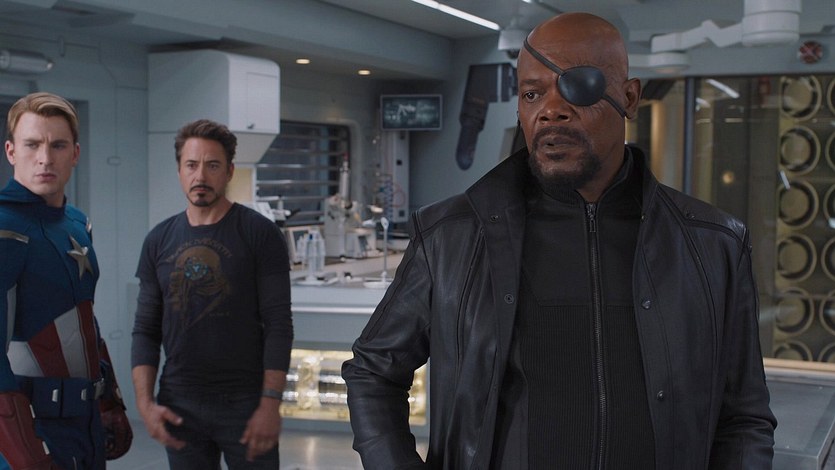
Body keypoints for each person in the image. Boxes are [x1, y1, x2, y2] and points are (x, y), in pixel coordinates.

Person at [342, 12, 776, 469]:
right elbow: (373, 372)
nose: (551, 109)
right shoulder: (450, 237)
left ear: (629, 97)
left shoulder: (713, 245)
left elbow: (743, 417)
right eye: (532, 94)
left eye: (577, 86)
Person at [131, 119, 293, 469]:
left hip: (246, 402)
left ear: (229, 171)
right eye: (191, 165)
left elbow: (278, 324)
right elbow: (145, 329)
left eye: (212, 165)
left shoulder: (260, 234)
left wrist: (270, 403)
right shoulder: (158, 240)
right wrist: (144, 404)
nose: (200, 175)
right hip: (179, 403)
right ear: (179, 170)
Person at [0, 92, 132, 469]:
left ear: (75, 153)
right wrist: (25, 455)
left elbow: (84, 319)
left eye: (58, 145)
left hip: (83, 425)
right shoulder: (5, 229)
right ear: (11, 152)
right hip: (32, 430)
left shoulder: (77, 223)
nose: (45, 158)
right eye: (32, 144)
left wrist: (109, 401)